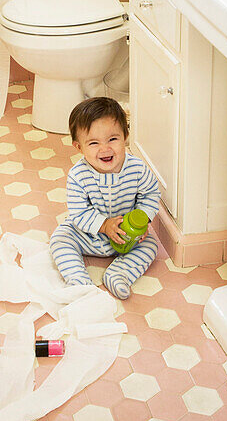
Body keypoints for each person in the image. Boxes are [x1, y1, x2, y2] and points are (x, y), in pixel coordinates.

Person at [49, 96, 160, 300]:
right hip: (88, 235)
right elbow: (78, 212)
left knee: (151, 245)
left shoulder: (137, 169)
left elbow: (151, 194)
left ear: (125, 136)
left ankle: (120, 274)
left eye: (112, 139)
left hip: (126, 237)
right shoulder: (78, 175)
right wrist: (103, 225)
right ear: (79, 147)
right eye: (93, 143)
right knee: (60, 238)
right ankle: (78, 281)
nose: (105, 149)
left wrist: (142, 219)